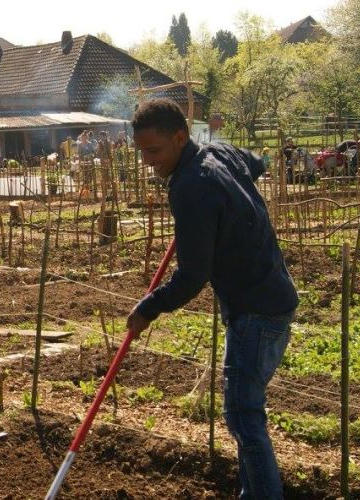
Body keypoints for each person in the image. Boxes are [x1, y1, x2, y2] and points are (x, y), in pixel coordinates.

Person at [125, 99, 297, 500]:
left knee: (243, 417)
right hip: (274, 298)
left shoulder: (188, 187)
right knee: (246, 412)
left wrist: (148, 308)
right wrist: (227, 212)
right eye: (142, 152)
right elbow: (258, 163)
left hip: (255, 311)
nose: (148, 161)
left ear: (181, 137)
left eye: (155, 151)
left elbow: (192, 277)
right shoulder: (217, 152)